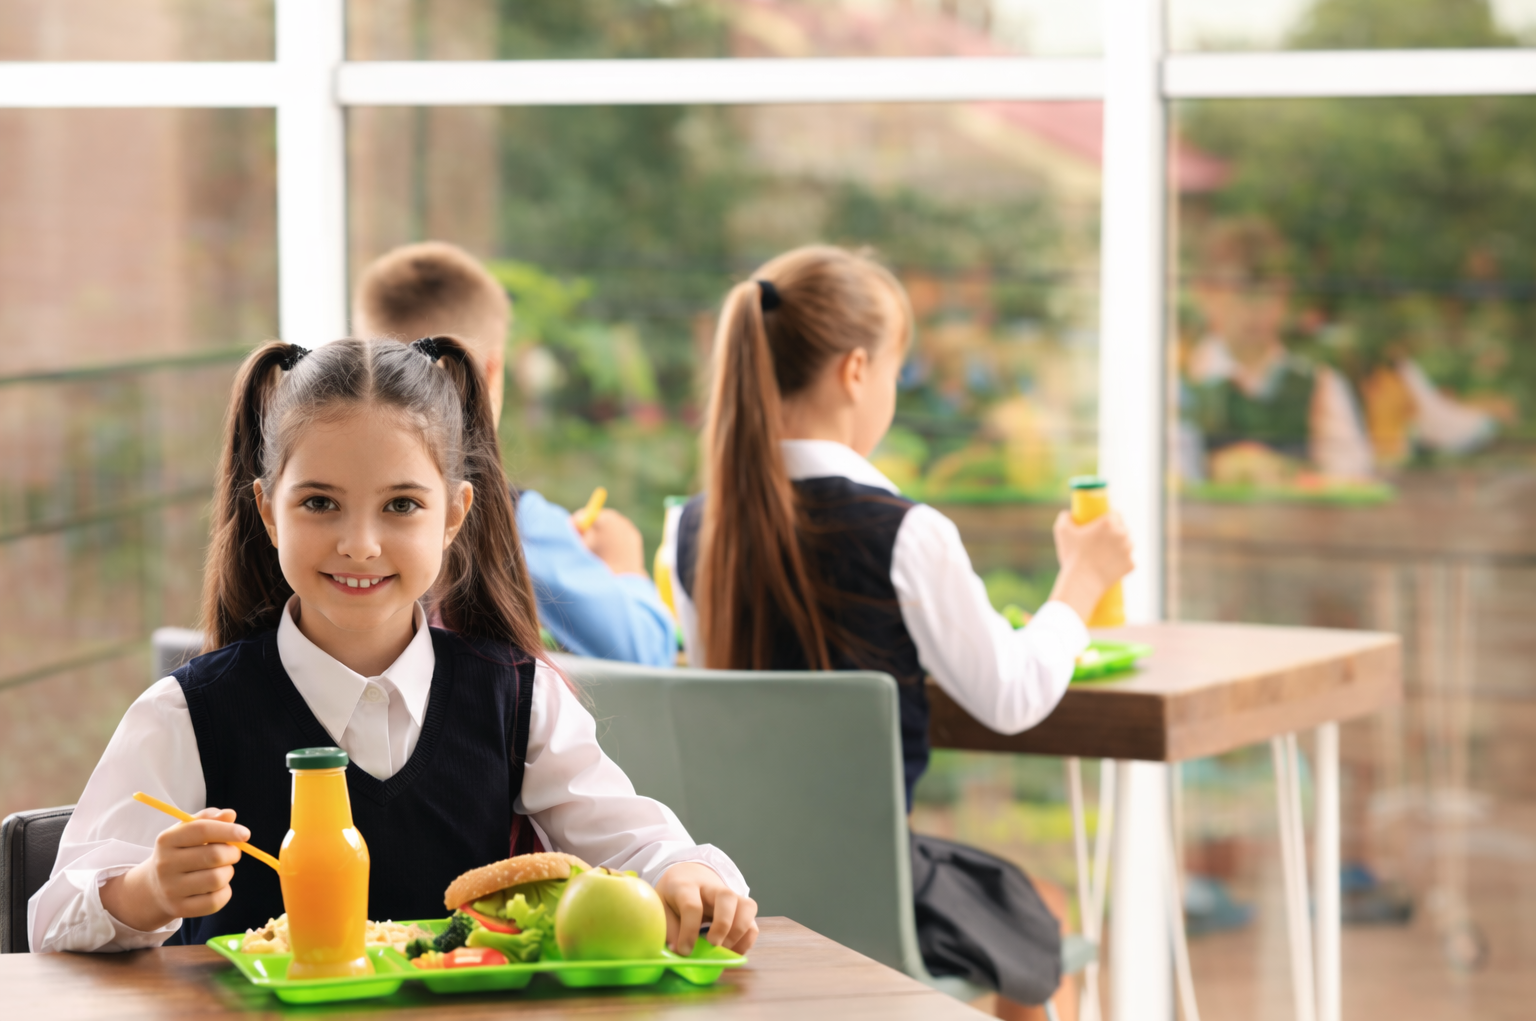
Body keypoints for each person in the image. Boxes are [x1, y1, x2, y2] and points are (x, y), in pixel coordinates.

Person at [28, 337, 756, 955]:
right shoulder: (187, 713)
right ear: (268, 511)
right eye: (319, 503)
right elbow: (50, 919)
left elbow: (634, 843)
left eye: (401, 505)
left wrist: (685, 874)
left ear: (454, 515)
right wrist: (146, 892)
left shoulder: (518, 696)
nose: (360, 543)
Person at [669, 245, 1133, 1021]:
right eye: (894, 372)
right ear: (857, 372)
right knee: (1033, 921)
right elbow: (1012, 696)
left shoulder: (693, 528)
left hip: (738, 893)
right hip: (874, 893)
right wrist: (1080, 585)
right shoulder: (907, 534)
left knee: (1016, 914)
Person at [353, 241, 676, 666]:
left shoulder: (312, 522)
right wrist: (624, 566)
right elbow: (648, 652)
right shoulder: (517, 524)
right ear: (491, 371)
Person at [1184, 217, 1375, 484]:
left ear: (1284, 296)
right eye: (1241, 292)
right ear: (1206, 294)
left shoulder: (1321, 386)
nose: (1255, 308)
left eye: (1267, 292)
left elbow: (1354, 481)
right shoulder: (1179, 387)